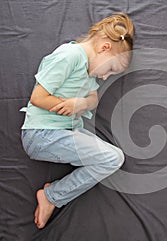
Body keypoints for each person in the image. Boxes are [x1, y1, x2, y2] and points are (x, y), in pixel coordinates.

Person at [20, 12, 134, 229]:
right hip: (41, 134)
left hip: (65, 131)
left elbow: (93, 98)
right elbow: (38, 97)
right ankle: (52, 196)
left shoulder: (89, 72)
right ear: (104, 48)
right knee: (112, 158)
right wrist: (71, 104)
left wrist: (81, 104)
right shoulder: (70, 56)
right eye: (111, 69)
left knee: (113, 158)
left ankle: (52, 196)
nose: (105, 77)